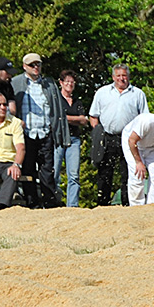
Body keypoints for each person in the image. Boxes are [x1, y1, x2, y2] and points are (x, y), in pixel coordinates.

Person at [11, 52, 70, 209]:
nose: (35, 67)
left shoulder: (49, 84)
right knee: (28, 169)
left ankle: (50, 202)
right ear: (24, 66)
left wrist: (59, 132)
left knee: (47, 170)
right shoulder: (16, 83)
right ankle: (32, 202)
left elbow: (58, 110)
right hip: (26, 134)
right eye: (32, 65)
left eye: (38, 64)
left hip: (45, 133)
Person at [89, 64, 149, 206]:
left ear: (128, 76)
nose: (121, 78)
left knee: (127, 171)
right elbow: (93, 115)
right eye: (118, 76)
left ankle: (126, 203)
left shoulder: (138, 94)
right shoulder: (102, 92)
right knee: (105, 171)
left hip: (129, 139)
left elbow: (144, 118)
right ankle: (102, 203)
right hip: (107, 137)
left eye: (124, 75)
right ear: (113, 77)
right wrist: (97, 134)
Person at [54, 70, 88, 208]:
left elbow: (84, 120)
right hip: (58, 138)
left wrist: (66, 118)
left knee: (74, 175)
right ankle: (54, 202)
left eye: (72, 82)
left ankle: (72, 205)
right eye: (67, 81)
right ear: (61, 83)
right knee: (54, 173)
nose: (70, 84)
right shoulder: (56, 100)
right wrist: (76, 119)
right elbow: (55, 117)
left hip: (74, 139)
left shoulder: (77, 101)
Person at [0, 93, 25, 211]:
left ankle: (1, 205)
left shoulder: (15, 123)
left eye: (5, 104)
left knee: (13, 173)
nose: (3, 107)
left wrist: (16, 165)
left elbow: (21, 148)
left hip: (8, 163)